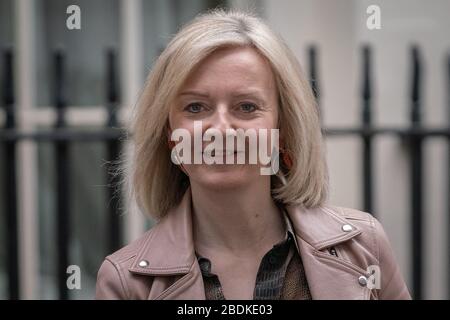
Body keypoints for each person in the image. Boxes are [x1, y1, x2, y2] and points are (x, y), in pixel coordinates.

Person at [95, 9, 411, 300]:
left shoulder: (364, 247)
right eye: (195, 107)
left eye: (247, 107)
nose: (220, 129)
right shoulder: (127, 283)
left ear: (282, 128)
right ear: (168, 133)